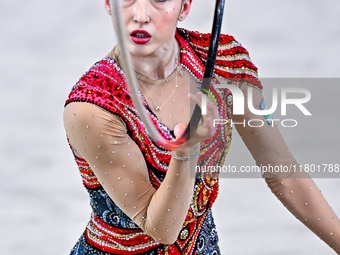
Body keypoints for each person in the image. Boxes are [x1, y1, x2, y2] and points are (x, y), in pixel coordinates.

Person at [63, 0, 340, 254]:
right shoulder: (93, 107)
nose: (140, 15)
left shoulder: (224, 63)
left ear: (185, 7)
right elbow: (161, 229)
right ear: (109, 4)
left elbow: (281, 169)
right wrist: (186, 152)